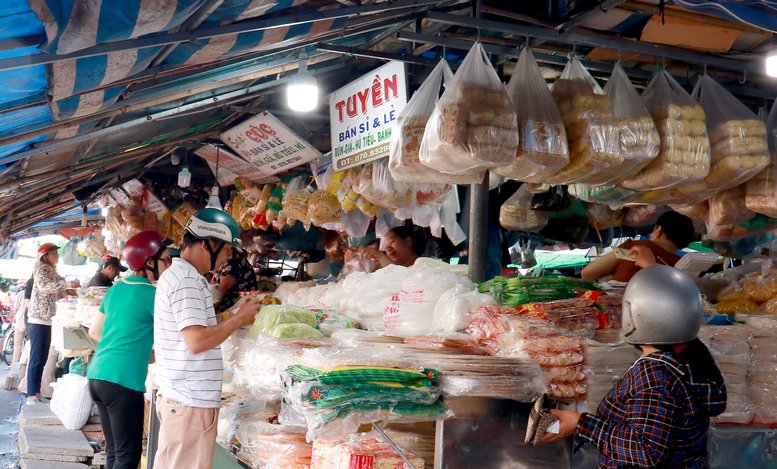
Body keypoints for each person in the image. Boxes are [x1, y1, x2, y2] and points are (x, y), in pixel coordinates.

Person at [543, 265, 727, 467]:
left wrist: (581, 423)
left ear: (636, 315)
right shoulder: (689, 359)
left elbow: (645, 452)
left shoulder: (655, 376)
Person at [153, 208, 260, 469]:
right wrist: (238, 320)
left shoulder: (182, 276)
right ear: (208, 243)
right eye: (225, 251)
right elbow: (197, 341)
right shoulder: (186, 281)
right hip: (189, 402)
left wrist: (233, 313)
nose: (226, 259)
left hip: (182, 399)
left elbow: (197, 329)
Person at [87, 232, 172, 469]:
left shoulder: (116, 288)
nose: (170, 265)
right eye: (166, 259)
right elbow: (174, 336)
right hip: (123, 382)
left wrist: (135, 348)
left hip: (98, 375)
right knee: (127, 456)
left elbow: (95, 332)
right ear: (149, 262)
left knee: (115, 450)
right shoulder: (154, 295)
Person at [581, 211, 695, 282]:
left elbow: (587, 273)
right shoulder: (683, 267)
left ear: (658, 230)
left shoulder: (636, 248)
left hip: (617, 311)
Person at [26, 243, 75, 404]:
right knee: (36, 358)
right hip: (38, 318)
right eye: (54, 253)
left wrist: (68, 291)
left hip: (46, 319)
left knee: (42, 357)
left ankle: (37, 392)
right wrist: (67, 285)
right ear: (45, 256)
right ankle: (31, 394)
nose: (57, 256)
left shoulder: (52, 270)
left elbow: (55, 291)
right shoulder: (42, 269)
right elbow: (45, 287)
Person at [356, 226, 426, 270]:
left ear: (408, 241)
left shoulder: (425, 266)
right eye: (386, 245)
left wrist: (379, 255)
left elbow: (400, 278)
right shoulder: (383, 270)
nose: (388, 248)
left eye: (392, 241)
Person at [212, 249, 258, 313]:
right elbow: (214, 281)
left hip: (236, 310)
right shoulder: (227, 260)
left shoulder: (233, 260)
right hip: (233, 309)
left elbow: (223, 288)